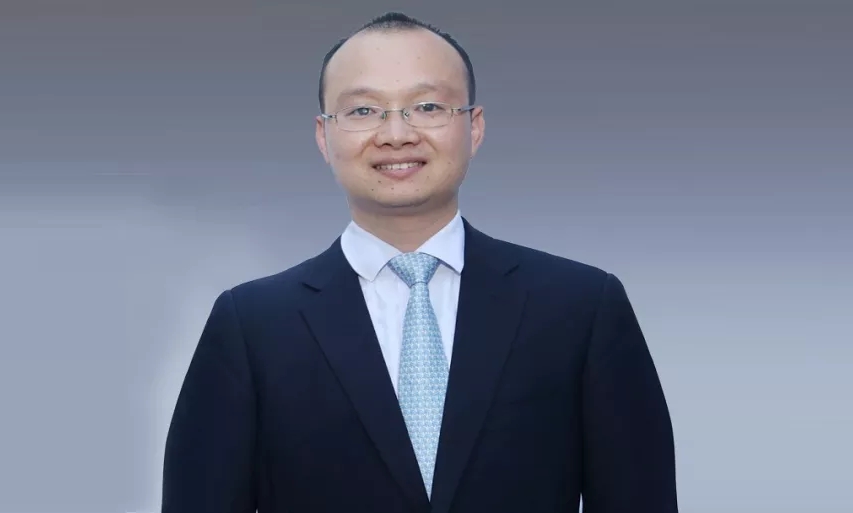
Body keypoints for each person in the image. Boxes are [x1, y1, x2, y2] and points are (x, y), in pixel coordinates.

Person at [161, 11, 678, 513]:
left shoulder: (580, 308)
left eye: (427, 106)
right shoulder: (251, 325)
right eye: (363, 111)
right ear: (324, 136)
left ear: (474, 127)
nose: (396, 133)